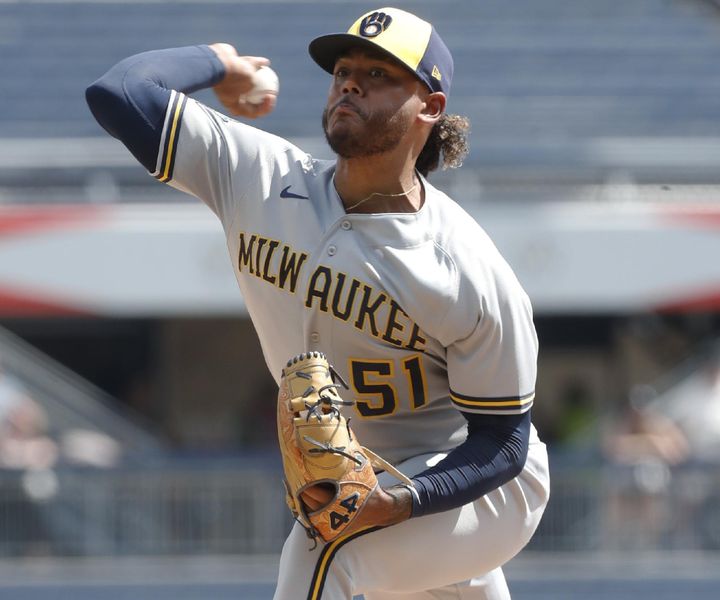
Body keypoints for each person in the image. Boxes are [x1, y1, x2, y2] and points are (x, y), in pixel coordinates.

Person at [86, 7, 549, 599]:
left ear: (429, 108)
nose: (350, 83)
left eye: (379, 74)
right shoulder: (259, 177)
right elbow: (120, 93)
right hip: (361, 482)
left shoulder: (465, 268)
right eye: (343, 71)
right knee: (344, 540)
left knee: (324, 550)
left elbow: (504, 443)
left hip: (476, 489)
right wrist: (220, 62)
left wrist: (404, 501)